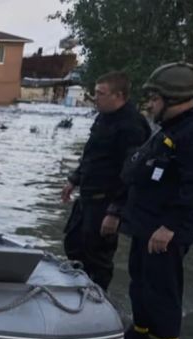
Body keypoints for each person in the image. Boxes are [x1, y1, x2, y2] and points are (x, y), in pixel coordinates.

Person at [110, 62, 193, 339]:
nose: (150, 105)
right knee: (141, 283)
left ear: (172, 98)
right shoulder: (171, 129)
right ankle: (140, 335)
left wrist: (169, 227)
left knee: (162, 289)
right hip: (146, 224)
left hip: (165, 229)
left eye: (154, 99)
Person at [60, 71, 151, 291]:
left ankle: (97, 297)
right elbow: (92, 155)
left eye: (101, 93)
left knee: (98, 256)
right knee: (73, 243)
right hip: (88, 195)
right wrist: (74, 179)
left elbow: (132, 173)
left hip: (107, 201)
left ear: (118, 96)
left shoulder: (132, 126)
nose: (95, 97)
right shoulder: (103, 117)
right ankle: (76, 289)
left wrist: (115, 211)